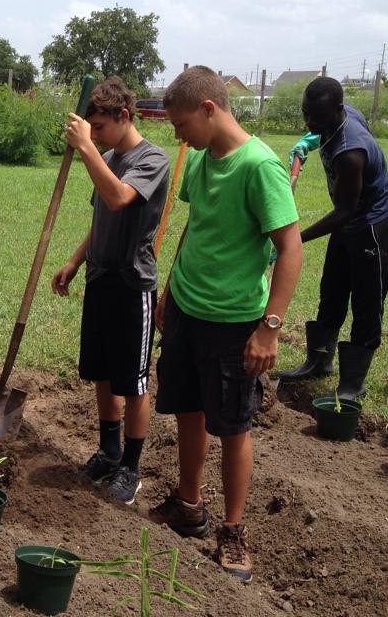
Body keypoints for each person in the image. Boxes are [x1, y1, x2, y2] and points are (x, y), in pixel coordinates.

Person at [147, 66, 302, 583]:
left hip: (234, 323)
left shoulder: (260, 167)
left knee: (233, 427)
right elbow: (197, 226)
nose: (178, 135)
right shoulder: (199, 158)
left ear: (209, 109)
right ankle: (189, 505)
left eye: (181, 123)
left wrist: (270, 327)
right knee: (187, 411)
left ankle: (233, 531)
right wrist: (171, 289)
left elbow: (290, 249)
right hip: (187, 310)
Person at [51, 76, 169, 506]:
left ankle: (131, 468)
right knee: (101, 373)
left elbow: (119, 197)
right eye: (92, 129)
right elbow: (102, 215)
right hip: (100, 279)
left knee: (133, 382)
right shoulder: (106, 156)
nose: (96, 135)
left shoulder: (152, 159)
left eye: (99, 127)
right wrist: (74, 261)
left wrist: (85, 146)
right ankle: (109, 451)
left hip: (132, 285)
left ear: (123, 116)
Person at [278, 77, 388, 399]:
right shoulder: (342, 115)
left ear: (337, 110)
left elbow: (345, 211)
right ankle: (319, 362)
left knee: (367, 299)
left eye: (317, 117)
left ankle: (352, 384)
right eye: (306, 114)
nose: (310, 123)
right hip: (351, 217)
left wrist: (295, 238)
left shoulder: (349, 153)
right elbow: (346, 210)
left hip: (376, 221)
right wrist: (311, 140)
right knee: (332, 287)